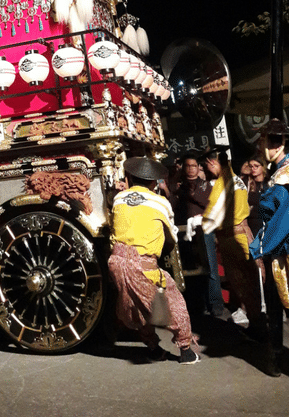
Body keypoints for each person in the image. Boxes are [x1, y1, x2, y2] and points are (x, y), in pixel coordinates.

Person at [108, 156, 200, 364]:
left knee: (134, 306)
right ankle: (185, 350)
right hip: (143, 264)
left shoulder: (119, 199)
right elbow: (171, 237)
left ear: (130, 177)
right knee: (173, 302)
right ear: (153, 182)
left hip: (116, 262)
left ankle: (153, 347)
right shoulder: (160, 203)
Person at [201, 148, 266, 341]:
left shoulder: (223, 183)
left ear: (213, 163)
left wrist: (199, 222)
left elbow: (211, 217)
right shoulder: (238, 180)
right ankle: (258, 327)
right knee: (250, 283)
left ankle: (259, 330)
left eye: (207, 165)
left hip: (232, 238)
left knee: (243, 285)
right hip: (243, 235)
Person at [250, 119, 289, 374]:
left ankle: (276, 357)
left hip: (282, 248)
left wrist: (259, 247)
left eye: (265, 139)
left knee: (279, 303)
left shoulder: (284, 175)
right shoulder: (280, 170)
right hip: (280, 245)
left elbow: (280, 219)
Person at [170, 154, 229, 320]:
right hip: (183, 231)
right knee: (187, 267)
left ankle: (215, 305)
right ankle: (195, 305)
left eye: (193, 166)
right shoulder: (179, 187)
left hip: (204, 230)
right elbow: (172, 205)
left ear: (198, 168)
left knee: (210, 266)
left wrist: (192, 195)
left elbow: (209, 204)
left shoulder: (205, 185)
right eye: (187, 166)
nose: (190, 169)